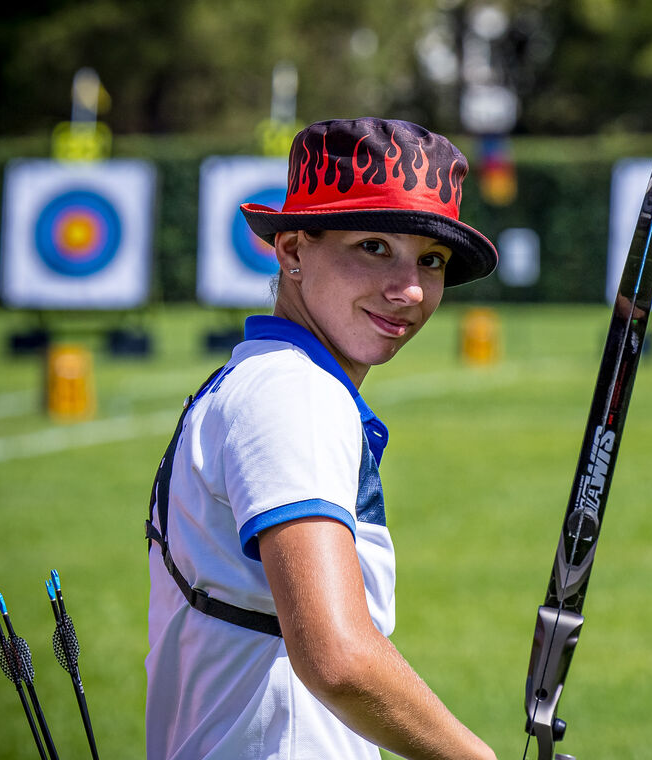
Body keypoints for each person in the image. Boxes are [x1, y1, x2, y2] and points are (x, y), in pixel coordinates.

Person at [145, 117, 498, 760]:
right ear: (293, 251)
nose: (410, 289)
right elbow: (337, 657)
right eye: (373, 247)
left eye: (432, 261)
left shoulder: (261, 378)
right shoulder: (295, 393)